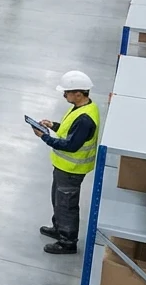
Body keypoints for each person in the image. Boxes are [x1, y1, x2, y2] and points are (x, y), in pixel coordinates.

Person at [33, 70, 100, 255]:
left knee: (67, 204)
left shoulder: (86, 118)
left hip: (72, 169)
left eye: (66, 92)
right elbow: (70, 130)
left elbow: (71, 145)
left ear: (78, 93)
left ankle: (68, 241)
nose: (64, 95)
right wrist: (53, 125)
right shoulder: (80, 108)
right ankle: (58, 228)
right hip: (63, 167)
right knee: (57, 199)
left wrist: (44, 137)